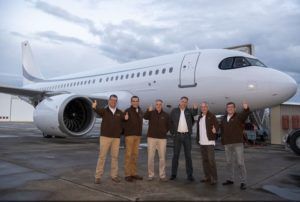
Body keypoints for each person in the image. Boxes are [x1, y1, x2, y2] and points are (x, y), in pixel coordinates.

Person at [93, 94, 125, 184]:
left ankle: (114, 176)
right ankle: (98, 176)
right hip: (105, 137)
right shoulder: (104, 111)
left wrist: (126, 118)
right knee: (102, 157)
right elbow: (97, 110)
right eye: (112, 100)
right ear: (109, 101)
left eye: (115, 100)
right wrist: (94, 107)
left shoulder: (120, 112)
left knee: (115, 157)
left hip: (116, 138)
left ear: (116, 102)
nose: (113, 102)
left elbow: (124, 121)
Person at [220, 101, 250, 190]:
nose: (230, 108)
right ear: (226, 109)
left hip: (237, 143)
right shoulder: (224, 118)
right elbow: (222, 130)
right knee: (229, 162)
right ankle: (230, 179)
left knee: (240, 163)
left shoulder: (238, 117)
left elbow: (245, 115)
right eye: (228, 107)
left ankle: (243, 182)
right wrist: (223, 141)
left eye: (231, 107)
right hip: (227, 144)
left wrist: (246, 109)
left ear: (235, 108)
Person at [169, 96, 198, 181]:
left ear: (187, 103)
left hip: (187, 136)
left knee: (188, 156)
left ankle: (190, 175)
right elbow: (170, 122)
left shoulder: (189, 111)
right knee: (175, 155)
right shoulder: (174, 111)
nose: (184, 103)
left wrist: (195, 109)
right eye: (182, 101)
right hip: (177, 136)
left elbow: (194, 116)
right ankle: (173, 174)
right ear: (180, 101)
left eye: (185, 102)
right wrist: (172, 133)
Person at [144, 99, 170, 181]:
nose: (158, 106)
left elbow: (168, 125)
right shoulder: (151, 113)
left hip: (162, 139)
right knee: (150, 157)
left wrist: (164, 131)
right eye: (157, 104)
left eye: (160, 104)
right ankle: (150, 175)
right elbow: (145, 117)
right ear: (155, 105)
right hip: (151, 138)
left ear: (162, 105)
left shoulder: (166, 115)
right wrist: (148, 110)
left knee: (162, 157)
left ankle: (162, 175)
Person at [196, 102, 219, 185]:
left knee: (211, 160)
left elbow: (217, 125)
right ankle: (207, 177)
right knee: (205, 161)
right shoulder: (200, 117)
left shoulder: (211, 116)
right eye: (202, 107)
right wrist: (198, 139)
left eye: (205, 107)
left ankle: (214, 178)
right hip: (202, 142)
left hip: (209, 142)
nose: (203, 108)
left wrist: (215, 129)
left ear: (207, 107)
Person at [123, 96, 144, 182]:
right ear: (131, 102)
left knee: (135, 155)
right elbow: (123, 122)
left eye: (136, 101)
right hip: (130, 135)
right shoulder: (127, 111)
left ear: (138, 102)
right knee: (128, 155)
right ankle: (127, 174)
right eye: (133, 101)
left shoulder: (140, 111)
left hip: (137, 135)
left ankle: (134, 173)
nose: (135, 102)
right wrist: (125, 119)